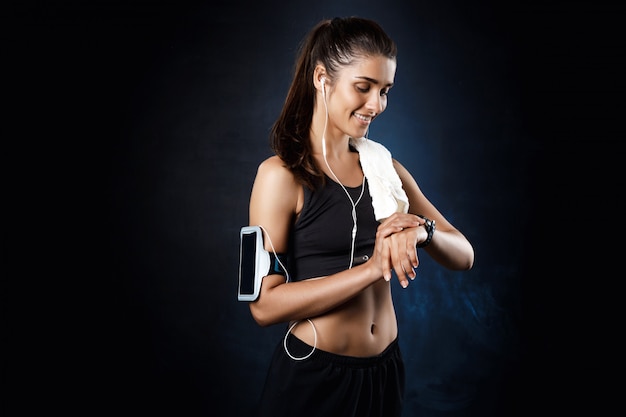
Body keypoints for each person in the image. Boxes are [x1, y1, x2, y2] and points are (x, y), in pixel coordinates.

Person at [245, 16, 474, 417]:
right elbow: (263, 306)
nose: (376, 105)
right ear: (322, 78)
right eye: (363, 88)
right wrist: (374, 267)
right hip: (314, 377)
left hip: (384, 373)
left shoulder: (386, 168)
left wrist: (423, 232)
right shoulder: (279, 176)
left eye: (385, 91)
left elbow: (464, 254)